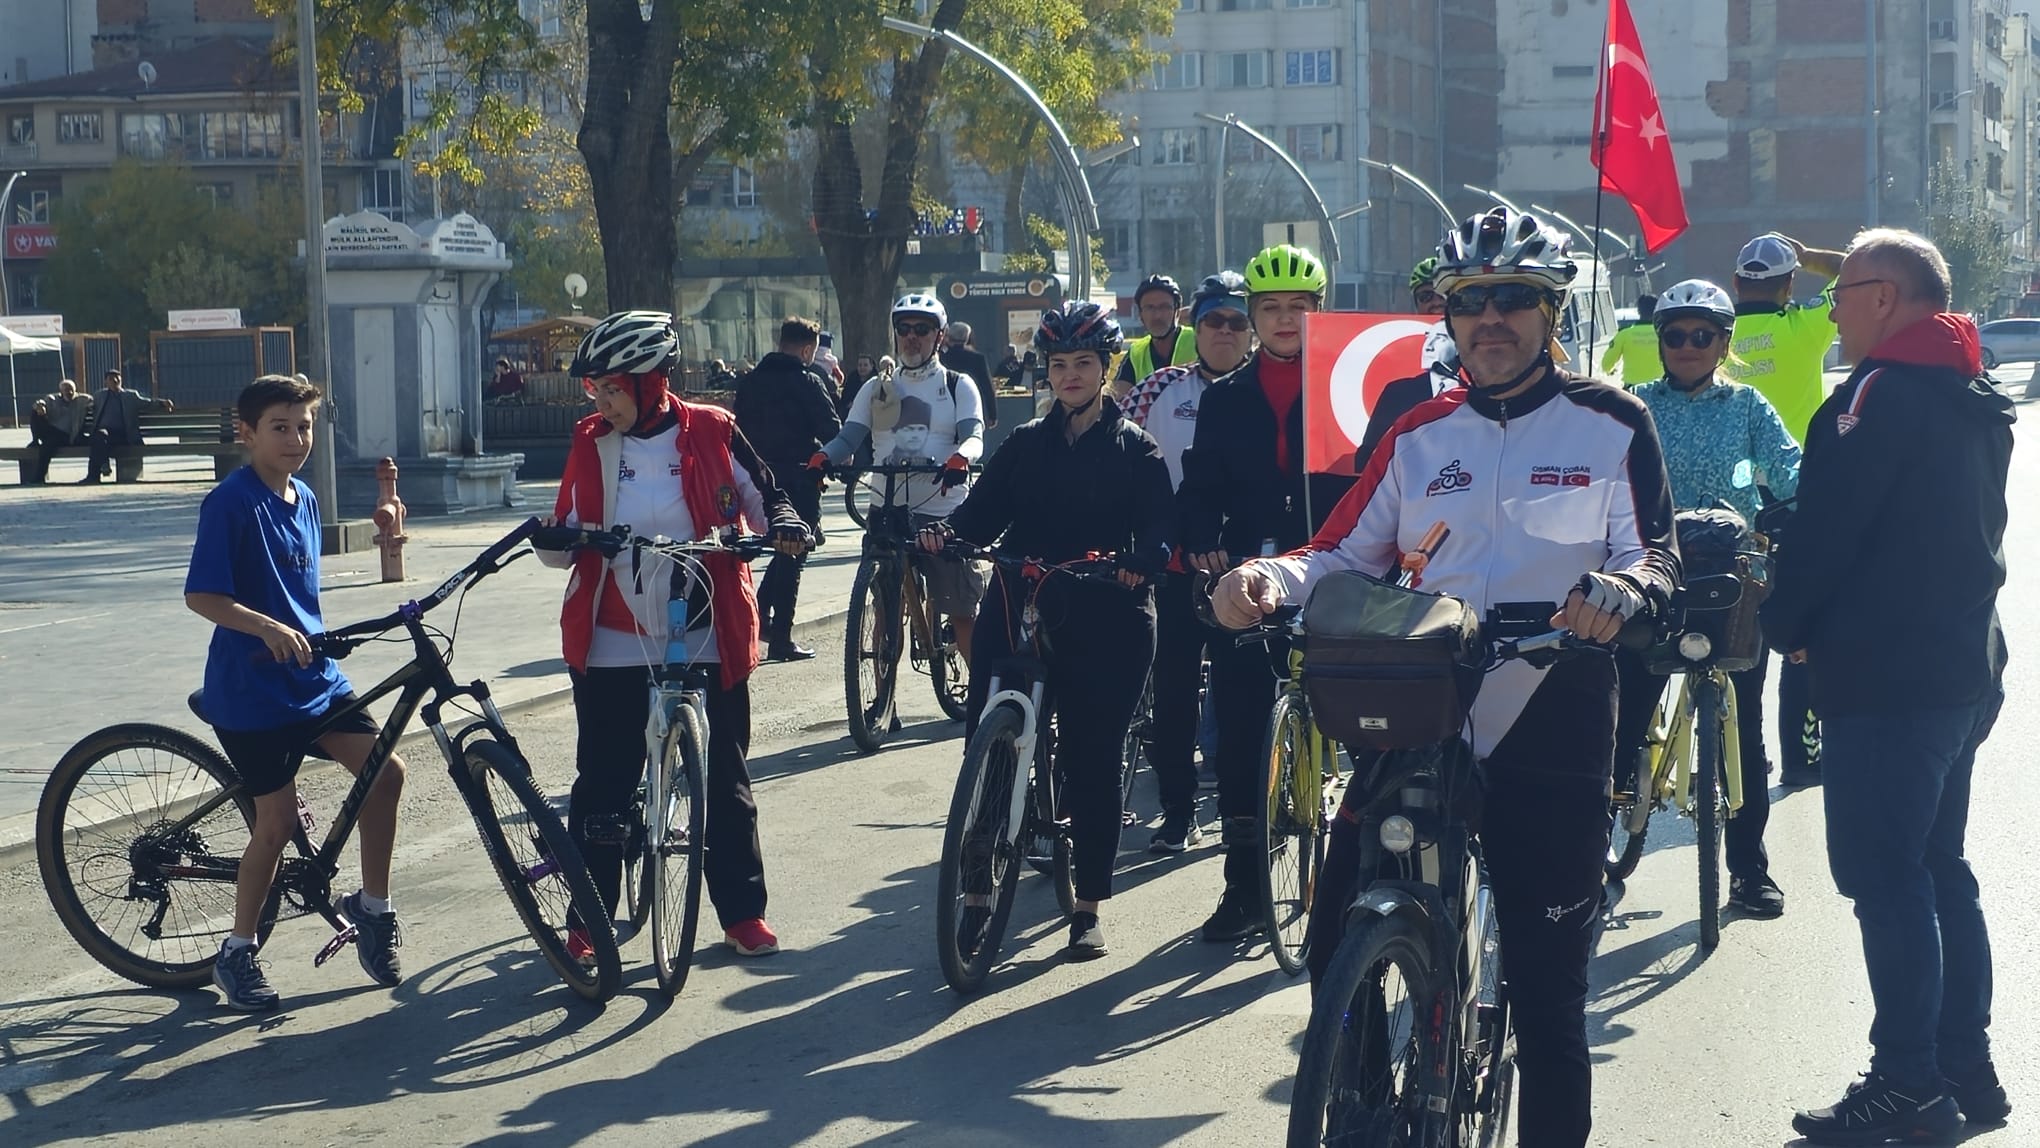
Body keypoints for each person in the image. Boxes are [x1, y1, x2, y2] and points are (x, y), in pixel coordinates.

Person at [1212, 208, 1679, 1148]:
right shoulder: (1421, 431)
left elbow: (1656, 555)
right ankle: (1372, 1103)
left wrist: (1623, 589)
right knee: (1336, 927)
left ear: (1550, 311)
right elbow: (1342, 551)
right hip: (1425, 703)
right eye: (1472, 301)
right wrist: (1267, 578)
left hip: (1556, 704)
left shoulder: (1611, 421)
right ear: (1450, 315)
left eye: (1514, 299)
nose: (1491, 318)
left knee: (1548, 996)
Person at [1762, 231, 2013, 1145]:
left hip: (1888, 678)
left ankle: (1908, 1079)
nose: (1829, 309)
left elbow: (1829, 538)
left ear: (1883, 297)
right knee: (1939, 868)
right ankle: (1963, 1069)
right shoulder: (1969, 386)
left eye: (1842, 291)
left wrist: (1782, 628)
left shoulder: (1872, 398)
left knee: (1886, 878)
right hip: (1959, 670)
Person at [538, 310, 810, 963]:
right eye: (595, 391)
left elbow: (766, 497)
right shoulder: (590, 442)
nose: (602, 402)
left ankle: (743, 914)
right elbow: (565, 525)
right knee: (603, 778)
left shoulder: (713, 430)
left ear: (651, 382)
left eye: (612, 388)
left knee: (723, 776)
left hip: (702, 621)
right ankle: (590, 919)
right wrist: (558, 538)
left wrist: (786, 523)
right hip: (614, 629)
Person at [918, 300, 1173, 958]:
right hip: (1021, 603)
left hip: (1108, 615)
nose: (1069, 376)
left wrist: (1142, 563)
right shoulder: (1026, 444)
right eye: (1058, 365)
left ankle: (1087, 906)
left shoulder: (1135, 448)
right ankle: (977, 893)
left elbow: (1157, 532)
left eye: (1083, 364)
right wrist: (949, 536)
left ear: (1104, 367)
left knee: (1091, 758)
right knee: (990, 747)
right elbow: (980, 515)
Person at [183, 375, 405, 1010]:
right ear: (247, 433)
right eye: (280, 427)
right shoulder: (229, 502)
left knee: (385, 774)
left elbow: (299, 583)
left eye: (304, 426)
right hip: (251, 688)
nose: (296, 439)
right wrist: (267, 626)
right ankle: (237, 951)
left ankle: (372, 907)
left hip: (312, 678)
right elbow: (202, 596)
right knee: (275, 824)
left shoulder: (304, 495)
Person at [1176, 242, 1357, 941]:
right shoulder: (1225, 398)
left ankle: (1363, 878)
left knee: (1378, 724)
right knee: (1243, 737)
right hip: (1251, 577)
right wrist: (1203, 538)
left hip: (1337, 568)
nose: (1285, 320)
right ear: (1251, 317)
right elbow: (1199, 487)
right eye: (1271, 309)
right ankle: (1243, 890)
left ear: (1320, 313)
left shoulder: (1351, 386)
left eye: (1299, 308)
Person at [1615, 279, 1800, 919]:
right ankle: (1599, 851)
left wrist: (1799, 504)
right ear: (1660, 342)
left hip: (1732, 583)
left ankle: (1749, 872)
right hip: (1653, 575)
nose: (1687, 346)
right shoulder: (1633, 404)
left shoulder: (1749, 406)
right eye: (1675, 335)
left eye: (1702, 335)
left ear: (1724, 342)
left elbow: (1790, 469)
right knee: (1624, 715)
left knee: (1744, 729)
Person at [1119, 270, 1253, 851]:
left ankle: (1244, 811)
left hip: (1247, 573)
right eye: (1213, 321)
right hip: (1173, 571)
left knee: (1242, 701)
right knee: (1172, 698)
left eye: (1236, 322)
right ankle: (1177, 812)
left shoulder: (1265, 394)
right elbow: (1126, 466)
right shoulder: (1160, 390)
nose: (1224, 331)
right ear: (1193, 328)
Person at [1724, 232, 1845, 788]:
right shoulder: (1802, 328)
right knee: (1801, 630)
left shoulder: (1714, 333)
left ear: (1735, 285)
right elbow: (1855, 273)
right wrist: (1812, 253)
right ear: (1789, 284)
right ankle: (1801, 756)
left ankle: (1732, 753)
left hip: (1732, 505)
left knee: (1734, 632)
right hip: (1797, 499)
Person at [812, 294, 988, 662]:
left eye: (921, 330)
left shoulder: (958, 385)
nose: (911, 337)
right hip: (886, 506)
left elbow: (974, 436)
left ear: (938, 337)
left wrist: (961, 457)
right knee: (884, 607)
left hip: (942, 510)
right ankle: (879, 703)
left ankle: (982, 705)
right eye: (903, 329)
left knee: (962, 612)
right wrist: (824, 456)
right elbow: (849, 438)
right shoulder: (877, 387)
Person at [733, 316, 843, 662]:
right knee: (794, 552)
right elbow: (831, 430)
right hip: (798, 477)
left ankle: (759, 613)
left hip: (758, 479)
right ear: (808, 349)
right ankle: (781, 635)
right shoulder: (808, 380)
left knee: (780, 550)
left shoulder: (750, 382)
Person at [1352, 257, 1463, 472]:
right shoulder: (1398, 393)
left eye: (1445, 294)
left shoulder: (1493, 379)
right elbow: (1366, 462)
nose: (1436, 302)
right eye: (1425, 296)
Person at [81, 368, 174, 484]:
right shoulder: (100, 395)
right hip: (105, 434)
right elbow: (88, 404)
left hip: (124, 435)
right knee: (99, 437)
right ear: (106, 382)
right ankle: (94, 476)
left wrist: (162, 403)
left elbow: (147, 403)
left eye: (117, 378)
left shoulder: (130, 396)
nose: (115, 380)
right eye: (111, 379)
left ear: (121, 380)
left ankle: (99, 469)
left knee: (98, 444)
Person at [1116, 274, 1198, 388]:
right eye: (1149, 308)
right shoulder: (1136, 353)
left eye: (1164, 307)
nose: (1157, 316)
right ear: (1140, 315)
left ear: (1177, 312)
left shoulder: (1199, 340)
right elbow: (1118, 395)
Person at [27, 378, 93, 485]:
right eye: (66, 390)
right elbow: (40, 403)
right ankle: (35, 440)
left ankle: (38, 477)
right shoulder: (52, 399)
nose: (69, 392)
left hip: (71, 435)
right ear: (61, 391)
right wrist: (40, 406)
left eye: (71, 389)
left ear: (75, 390)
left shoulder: (83, 400)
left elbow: (95, 404)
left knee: (47, 446)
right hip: (53, 431)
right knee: (35, 413)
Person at [942, 320, 998, 430]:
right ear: (967, 338)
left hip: (945, 405)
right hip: (971, 405)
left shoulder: (942, 356)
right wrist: (992, 414)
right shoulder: (977, 358)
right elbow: (986, 386)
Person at [1600, 293, 1664, 385]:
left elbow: (1606, 365)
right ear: (1657, 310)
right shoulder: (1664, 335)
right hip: (1660, 390)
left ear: (1638, 311)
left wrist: (1611, 371)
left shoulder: (1624, 335)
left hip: (1632, 392)